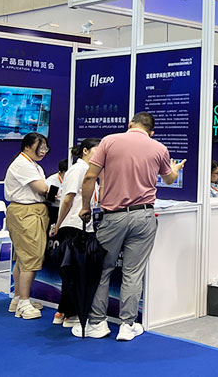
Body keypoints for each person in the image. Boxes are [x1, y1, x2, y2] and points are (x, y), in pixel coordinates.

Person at [75, 112, 185, 341]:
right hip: (144, 216)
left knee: (102, 270)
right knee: (133, 272)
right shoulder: (159, 148)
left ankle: (98, 323)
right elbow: (169, 179)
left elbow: (89, 177)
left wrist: (85, 207)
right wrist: (175, 169)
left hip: (113, 217)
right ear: (151, 132)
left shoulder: (109, 141)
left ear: (130, 124)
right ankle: (127, 325)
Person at [49, 137, 101, 327]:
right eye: (97, 150)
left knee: (74, 271)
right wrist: (58, 224)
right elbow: (68, 198)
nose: (100, 153)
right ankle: (69, 314)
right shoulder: (77, 170)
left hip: (83, 226)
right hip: (73, 226)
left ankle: (63, 311)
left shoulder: (90, 171)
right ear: (85, 151)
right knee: (74, 272)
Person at [4, 132, 51, 320]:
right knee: (31, 257)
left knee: (23, 258)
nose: (43, 151)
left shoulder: (32, 164)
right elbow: (42, 188)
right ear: (27, 147)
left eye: (45, 148)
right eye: (40, 147)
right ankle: (23, 303)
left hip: (31, 212)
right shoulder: (23, 164)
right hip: (26, 212)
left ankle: (18, 299)